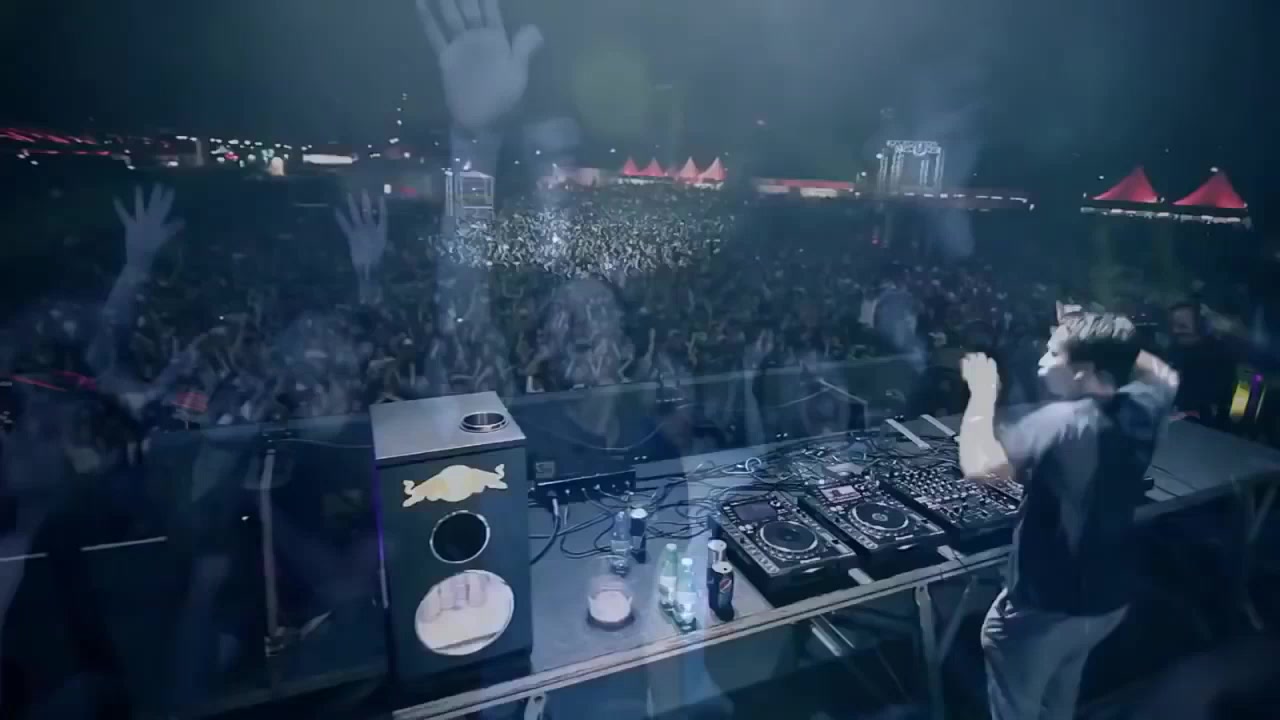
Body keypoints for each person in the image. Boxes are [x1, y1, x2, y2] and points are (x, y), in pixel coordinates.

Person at [957, 312, 1179, 720]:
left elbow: (980, 467)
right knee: (1061, 687)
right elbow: (1164, 374)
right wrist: (1106, 338)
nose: (1042, 358)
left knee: (1017, 694)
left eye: (1053, 352)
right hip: (1108, 600)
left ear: (1083, 371)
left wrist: (982, 395)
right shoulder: (1143, 406)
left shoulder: (1060, 422)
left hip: (1045, 608)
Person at [1165, 301, 1236, 427]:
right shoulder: (1171, 352)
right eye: (1173, 325)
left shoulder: (1223, 357)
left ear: (1201, 327)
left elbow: (1239, 408)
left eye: (1182, 326)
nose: (1176, 331)